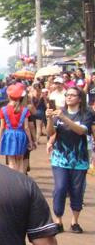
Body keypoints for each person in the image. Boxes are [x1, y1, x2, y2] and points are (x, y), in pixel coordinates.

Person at [47, 86, 94, 232]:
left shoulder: (86, 114)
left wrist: (63, 118)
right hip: (60, 158)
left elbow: (81, 130)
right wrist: (49, 119)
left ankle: (74, 222)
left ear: (80, 98)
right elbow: (51, 133)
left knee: (77, 190)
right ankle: (58, 220)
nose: (69, 97)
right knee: (60, 188)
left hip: (79, 159)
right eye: (67, 95)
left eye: (73, 95)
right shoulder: (59, 113)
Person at [0, 83, 33, 174]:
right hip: (21, 135)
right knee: (20, 160)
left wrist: (0, 140)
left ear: (8, 96)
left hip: (9, 135)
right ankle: (21, 181)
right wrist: (31, 141)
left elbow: (2, 127)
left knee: (11, 160)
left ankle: (14, 182)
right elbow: (26, 127)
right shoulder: (25, 110)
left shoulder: (3, 110)